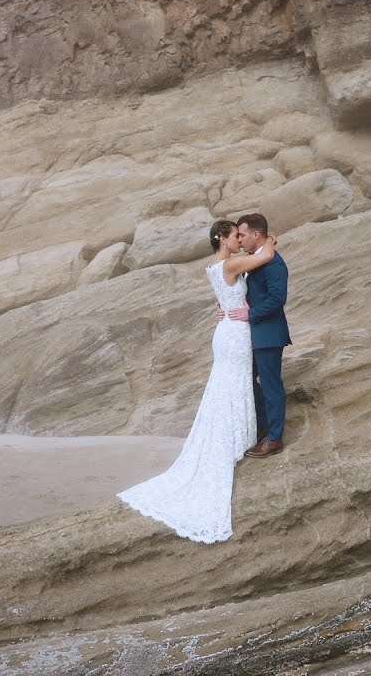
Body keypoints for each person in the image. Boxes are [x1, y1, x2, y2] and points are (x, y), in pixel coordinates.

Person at [117, 220, 278, 543]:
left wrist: (227, 306)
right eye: (235, 235)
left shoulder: (213, 267)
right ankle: (236, 439)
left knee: (228, 386)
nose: (239, 240)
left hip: (226, 330)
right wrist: (269, 238)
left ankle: (236, 435)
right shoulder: (231, 262)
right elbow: (264, 257)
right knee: (235, 385)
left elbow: (227, 296)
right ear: (222, 238)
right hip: (235, 334)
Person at [231, 213, 291, 459]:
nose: (240, 239)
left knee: (270, 384)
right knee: (249, 382)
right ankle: (263, 427)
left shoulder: (274, 263)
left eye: (242, 234)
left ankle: (274, 438)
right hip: (251, 334)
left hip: (268, 334)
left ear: (257, 235)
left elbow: (278, 299)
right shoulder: (252, 260)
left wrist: (250, 314)